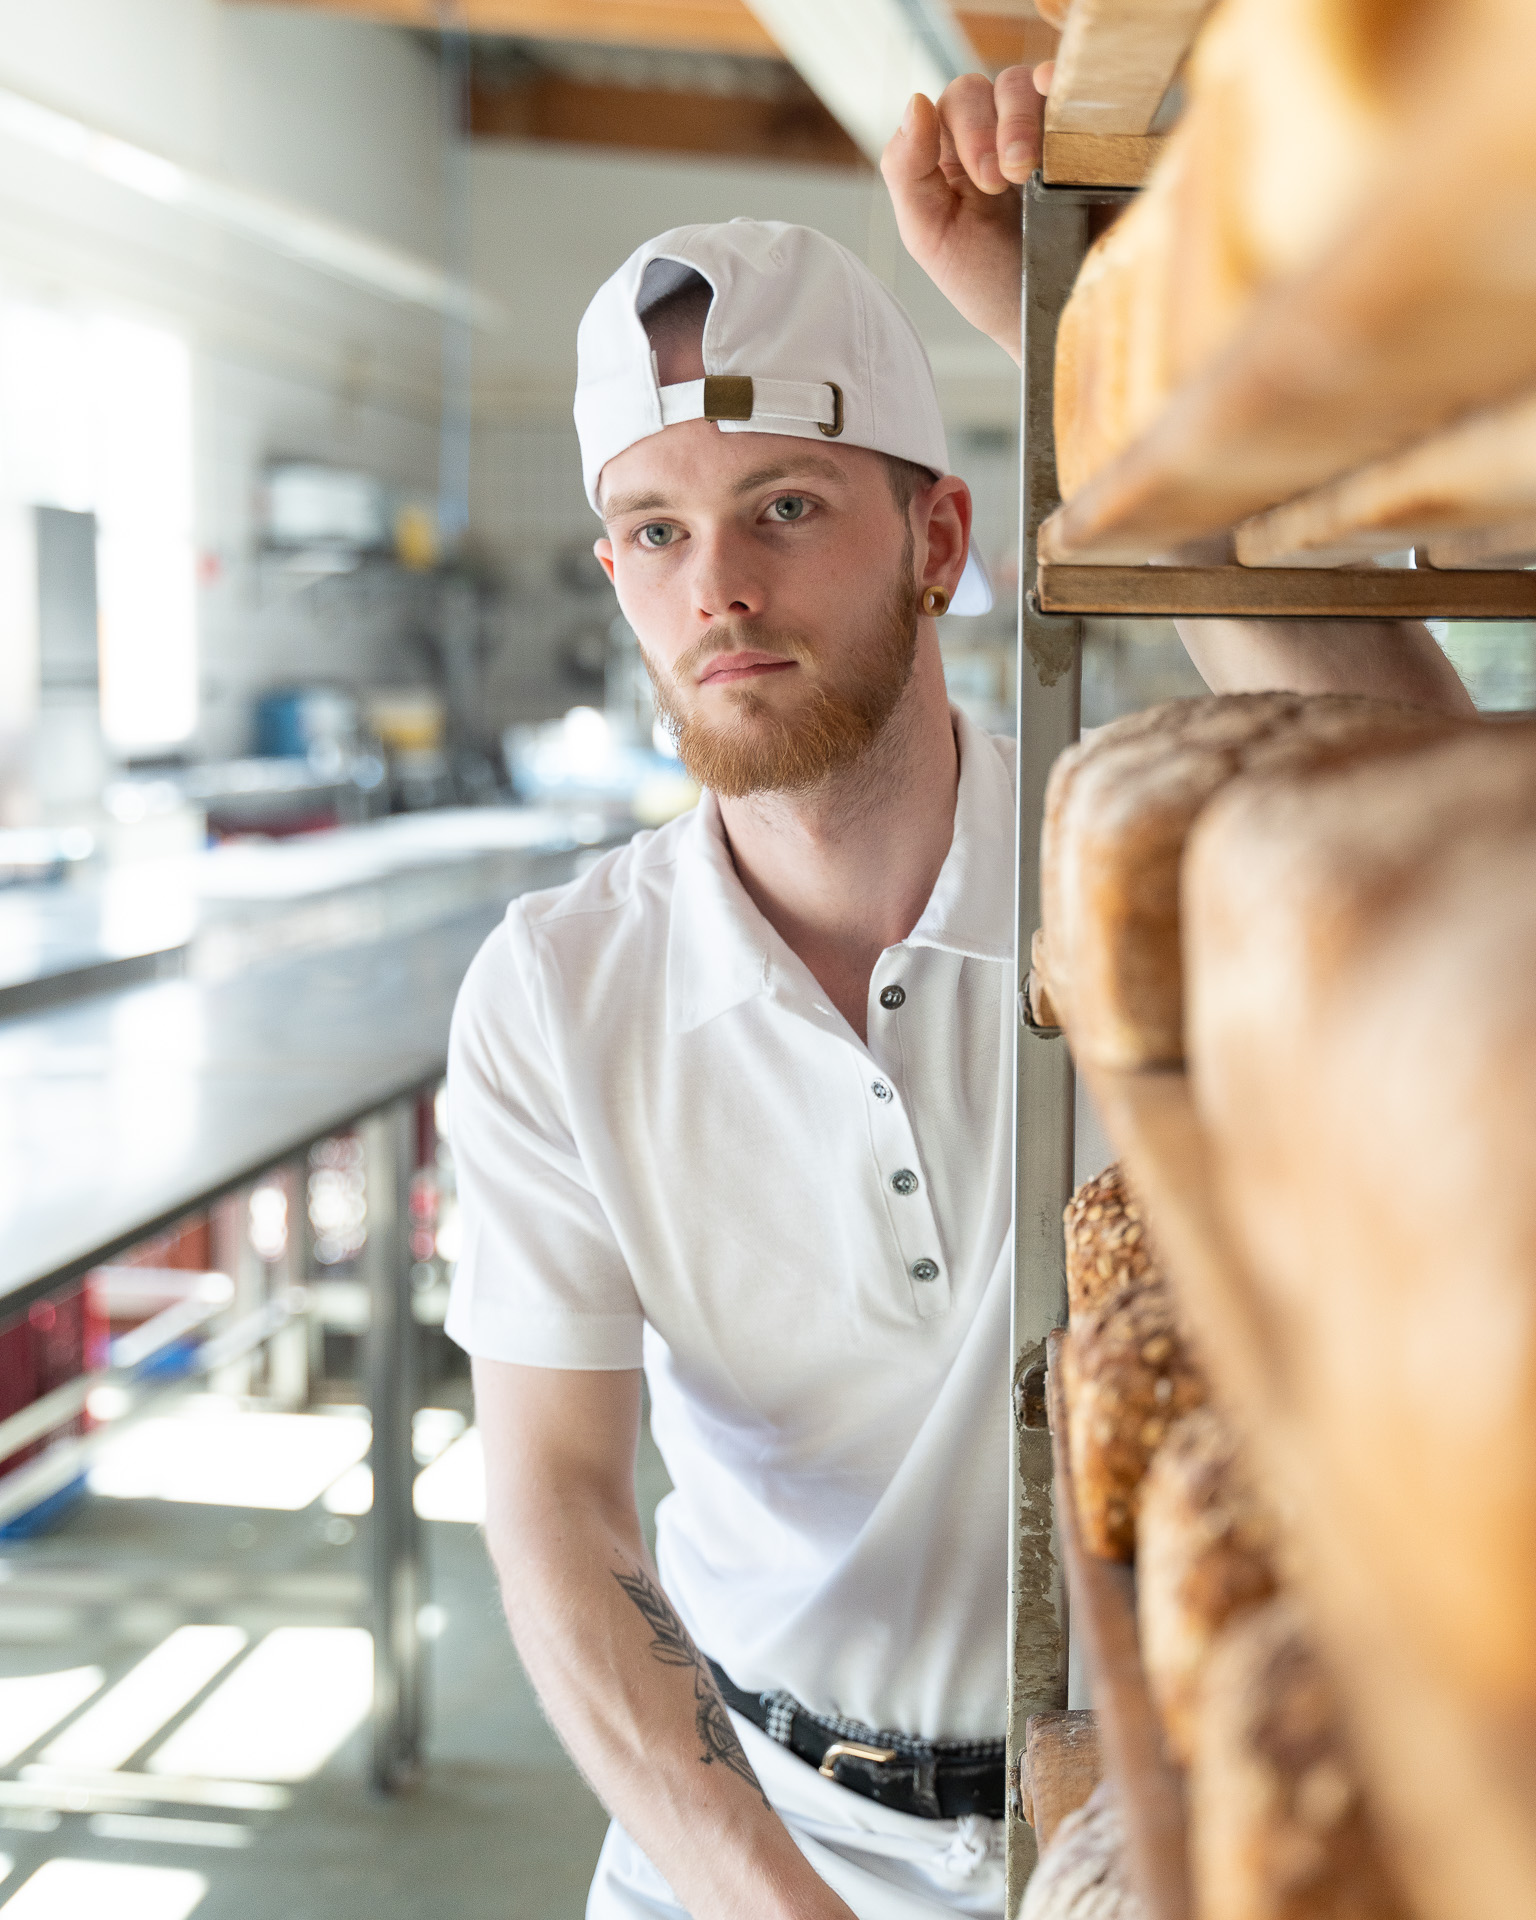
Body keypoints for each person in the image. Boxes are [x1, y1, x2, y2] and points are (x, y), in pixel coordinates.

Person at [446, 65, 1474, 1920]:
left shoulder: (1127, 861)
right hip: (750, 1841)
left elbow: (1434, 800)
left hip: (1149, 1803)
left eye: (784, 504)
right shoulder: (556, 996)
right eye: (661, 534)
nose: (721, 590)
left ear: (938, 542)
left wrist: (1062, 325)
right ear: (616, 581)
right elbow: (560, 1508)